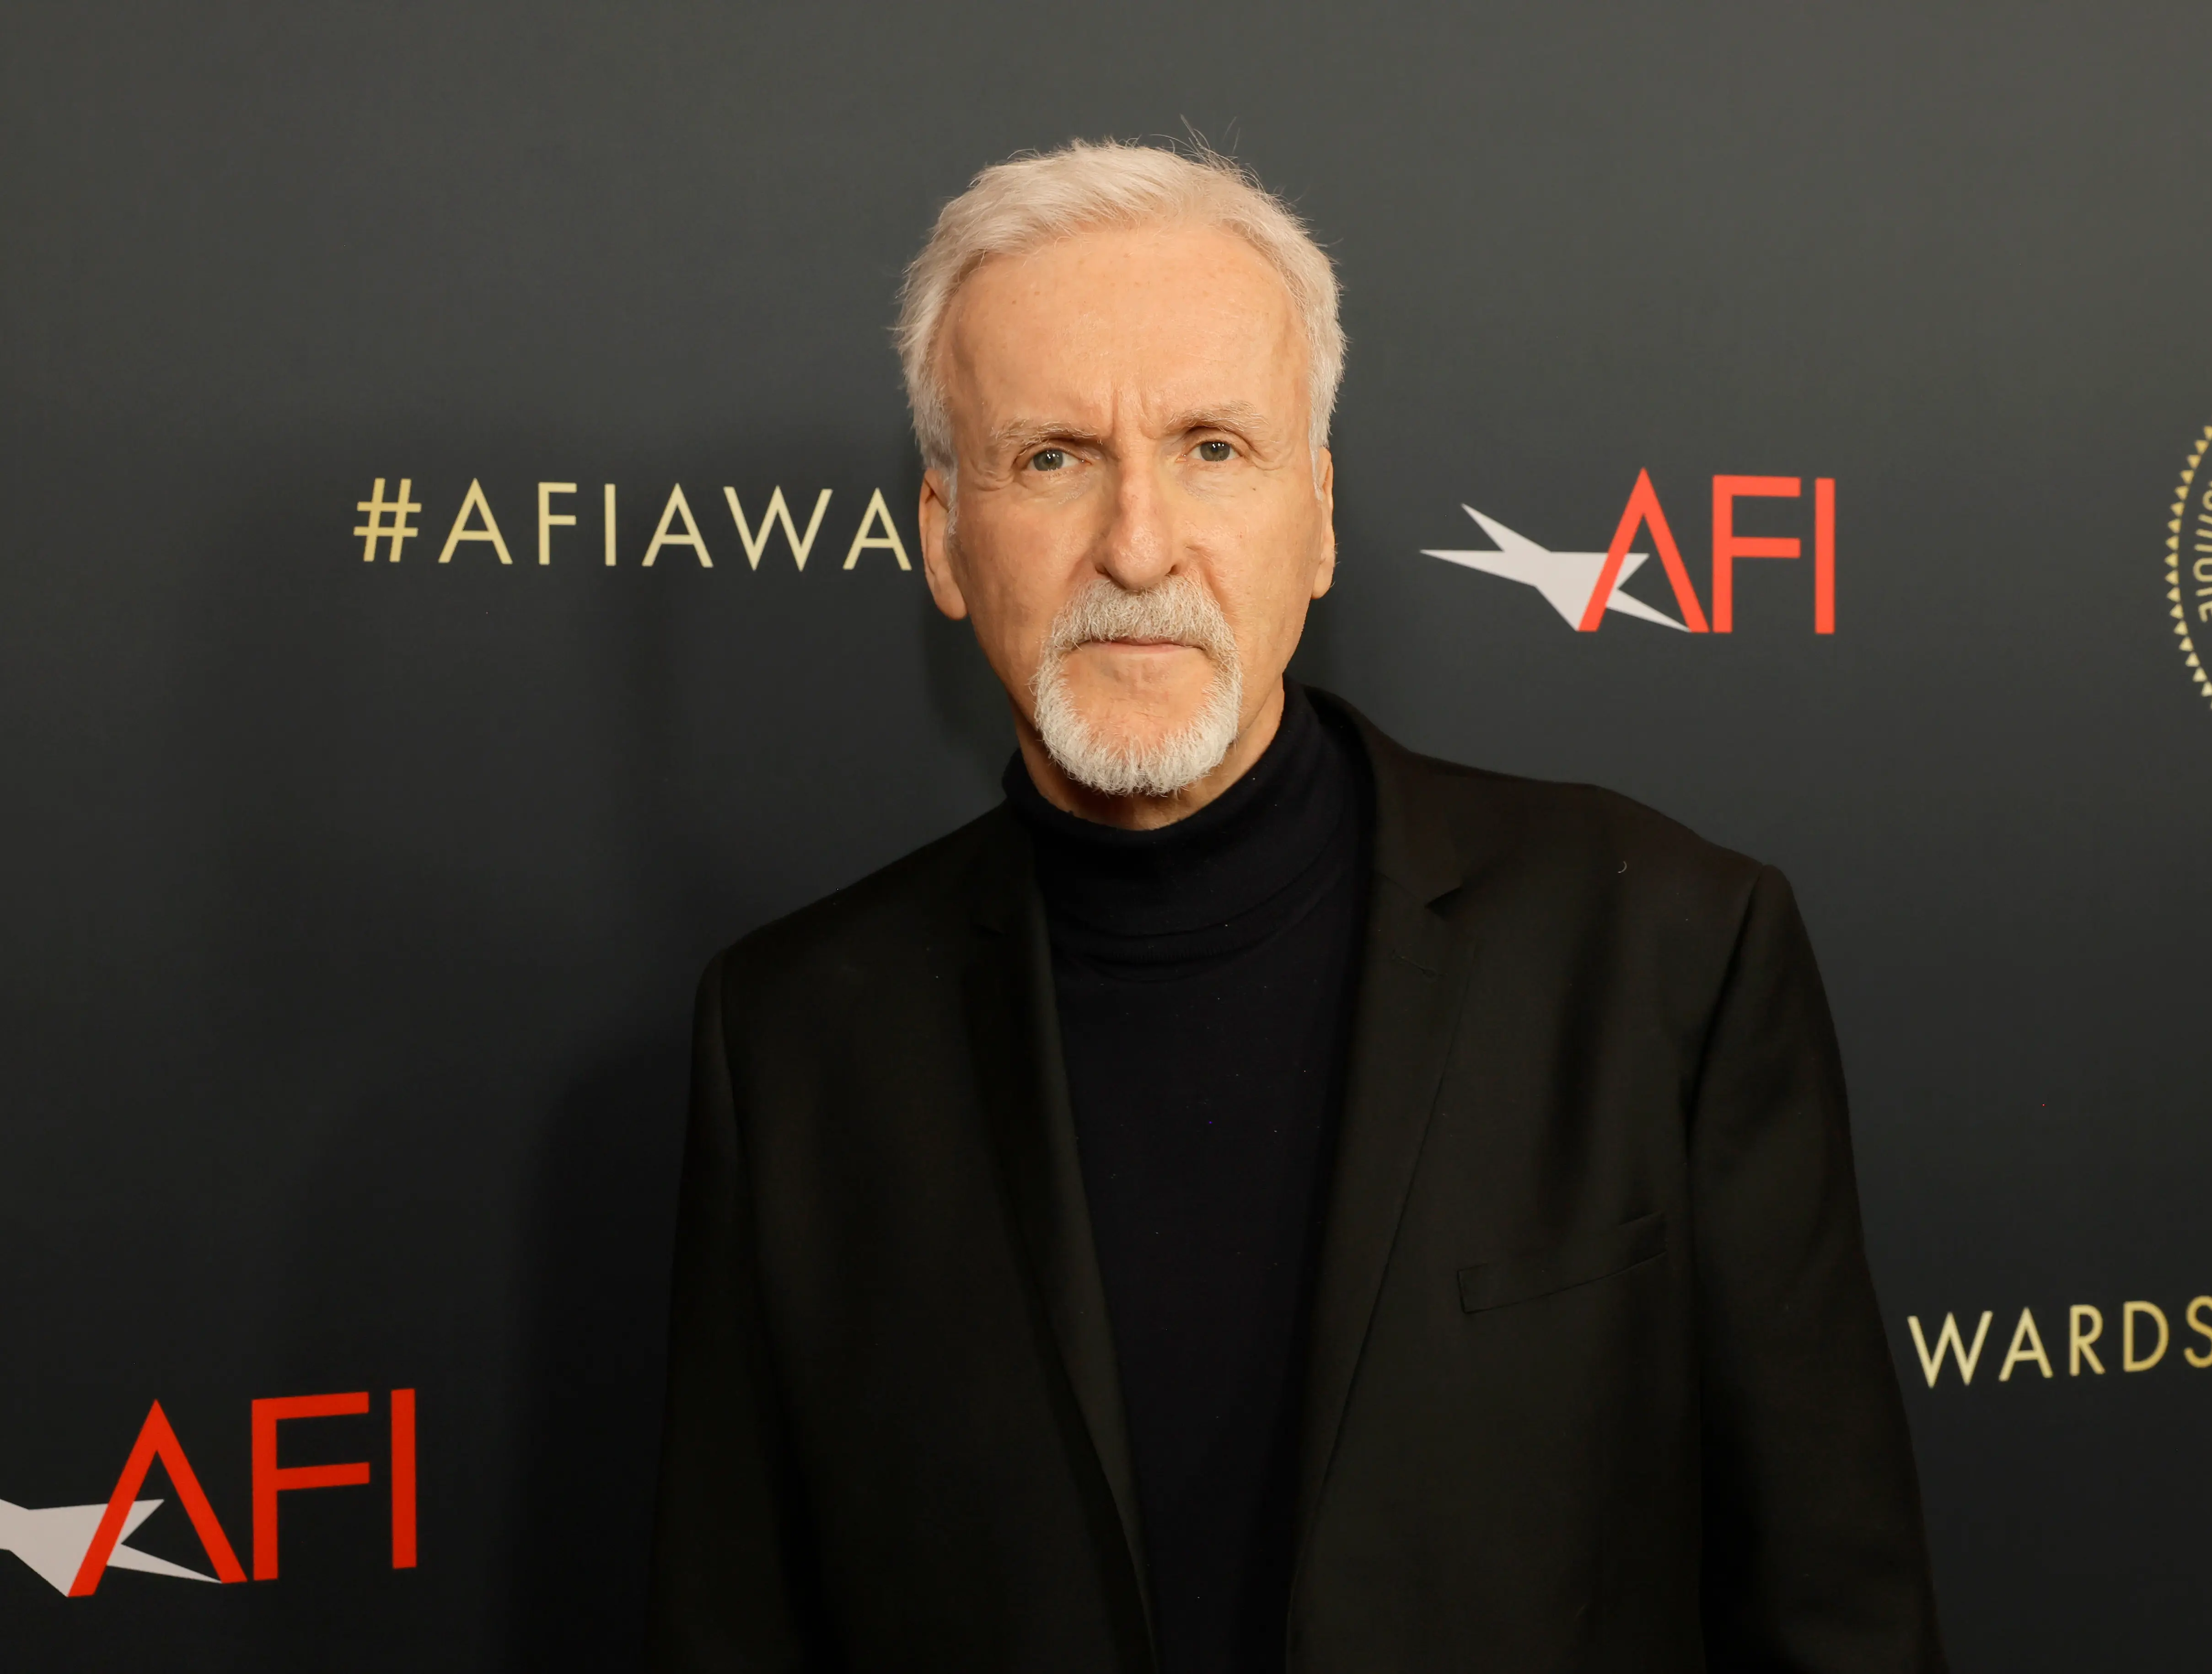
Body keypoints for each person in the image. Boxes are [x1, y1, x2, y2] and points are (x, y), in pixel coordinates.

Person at [644, 140, 1944, 1674]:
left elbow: (1838, 1623)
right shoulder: (792, 1040)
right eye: (1054, 456)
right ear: (944, 536)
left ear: (1318, 517)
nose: (1138, 545)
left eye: (1213, 448)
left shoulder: (1665, 952)